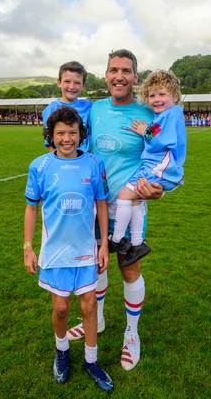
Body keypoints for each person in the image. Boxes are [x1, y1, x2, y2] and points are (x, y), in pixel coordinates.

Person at [67, 49, 163, 371]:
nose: (119, 76)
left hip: (130, 205)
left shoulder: (150, 114)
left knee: (128, 268)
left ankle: (131, 334)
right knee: (97, 264)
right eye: (113, 70)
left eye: (125, 70)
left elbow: (167, 159)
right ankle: (99, 319)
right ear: (106, 75)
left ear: (136, 76)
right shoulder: (95, 110)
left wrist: (160, 189)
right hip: (94, 207)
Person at [23, 106, 113, 392]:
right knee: (61, 308)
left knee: (89, 306)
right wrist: (28, 246)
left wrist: (104, 245)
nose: (66, 138)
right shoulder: (39, 166)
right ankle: (62, 351)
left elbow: (101, 204)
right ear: (51, 135)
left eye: (72, 132)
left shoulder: (94, 164)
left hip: (86, 250)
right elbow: (31, 207)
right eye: (60, 132)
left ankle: (91, 359)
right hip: (55, 253)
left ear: (80, 134)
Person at [110, 70, 187, 267]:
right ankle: (137, 244)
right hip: (157, 166)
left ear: (175, 96)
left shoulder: (172, 113)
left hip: (160, 167)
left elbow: (162, 141)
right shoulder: (165, 114)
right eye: (152, 95)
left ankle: (117, 239)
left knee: (124, 195)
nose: (156, 99)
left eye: (162, 94)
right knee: (135, 200)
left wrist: (146, 131)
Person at [42, 61, 93, 152]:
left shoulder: (89, 106)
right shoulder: (51, 109)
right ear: (59, 82)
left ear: (83, 86)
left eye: (77, 83)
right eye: (67, 81)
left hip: (84, 160)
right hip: (62, 161)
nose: (72, 86)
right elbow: (51, 143)